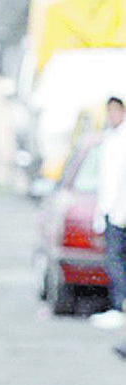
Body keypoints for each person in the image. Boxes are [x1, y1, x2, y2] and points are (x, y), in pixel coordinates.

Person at [91, 96, 126, 330]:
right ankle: (119, 306)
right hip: (110, 209)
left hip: (120, 210)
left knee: (116, 260)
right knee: (114, 260)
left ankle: (120, 306)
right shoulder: (109, 138)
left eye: (116, 111)